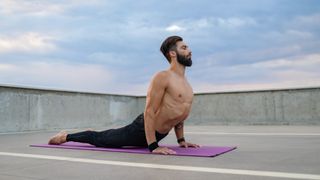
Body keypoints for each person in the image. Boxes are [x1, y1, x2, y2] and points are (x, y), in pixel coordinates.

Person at [48, 36, 200, 155]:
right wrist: (153, 146)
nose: (190, 50)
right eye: (184, 48)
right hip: (141, 130)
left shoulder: (186, 84)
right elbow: (149, 111)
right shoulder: (162, 77)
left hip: (159, 134)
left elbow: (179, 114)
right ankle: (65, 136)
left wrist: (181, 140)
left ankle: (91, 133)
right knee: (102, 140)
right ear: (173, 53)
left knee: (106, 137)